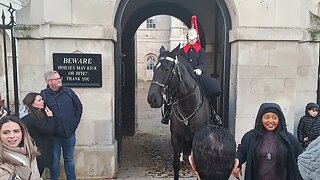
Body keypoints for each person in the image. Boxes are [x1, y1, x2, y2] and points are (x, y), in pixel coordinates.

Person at [161, 15, 222, 125]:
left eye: (193, 39)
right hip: (183, 76)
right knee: (171, 91)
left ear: (197, 39)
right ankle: (167, 113)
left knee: (212, 86)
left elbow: (204, 63)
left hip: (197, 76)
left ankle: (213, 113)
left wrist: (200, 69)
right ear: (187, 38)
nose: (192, 40)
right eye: (190, 38)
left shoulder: (201, 51)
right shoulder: (181, 51)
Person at [232, 103, 303, 180]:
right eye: (266, 117)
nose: (270, 121)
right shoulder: (250, 137)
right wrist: (237, 164)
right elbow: (242, 152)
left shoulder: (289, 139)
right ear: (260, 119)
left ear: (279, 119)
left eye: (274, 118)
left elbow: (301, 158)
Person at [41, 71, 83, 180]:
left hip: (69, 133)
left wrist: (75, 123)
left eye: (60, 78)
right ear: (49, 82)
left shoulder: (68, 92)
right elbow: (40, 115)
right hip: (54, 135)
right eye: (56, 79)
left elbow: (78, 107)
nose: (60, 80)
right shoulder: (43, 96)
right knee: (55, 161)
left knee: (69, 159)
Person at [21, 92, 57, 176]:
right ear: (32, 103)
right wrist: (51, 117)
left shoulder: (33, 114)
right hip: (38, 149)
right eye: (39, 100)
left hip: (37, 148)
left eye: (42, 99)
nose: (42, 102)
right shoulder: (33, 117)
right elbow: (48, 130)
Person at [0, 115, 42, 179]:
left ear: (23, 133)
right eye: (6, 132)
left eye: (16, 131)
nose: (12, 136)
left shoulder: (30, 153)